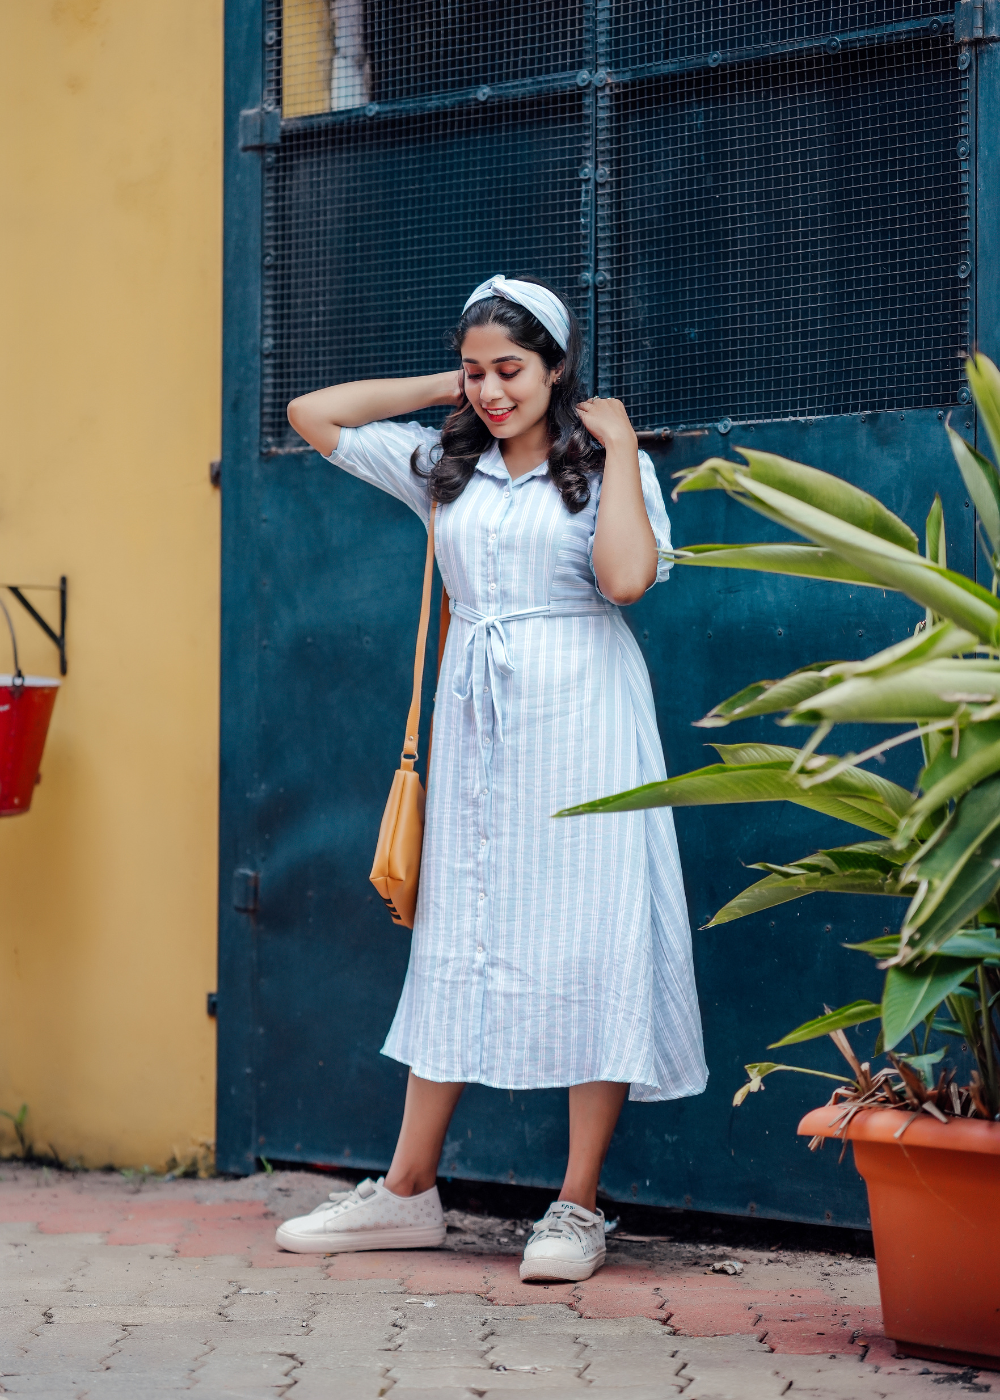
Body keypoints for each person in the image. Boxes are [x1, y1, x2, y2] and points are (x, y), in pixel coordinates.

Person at [275, 274, 707, 1282]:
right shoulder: (444, 462)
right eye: (478, 369)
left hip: (586, 718)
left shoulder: (607, 468)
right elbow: (312, 415)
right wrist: (448, 387)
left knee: (594, 928)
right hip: (478, 721)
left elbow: (626, 580)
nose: (492, 389)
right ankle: (407, 1190)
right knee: (460, 926)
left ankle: (577, 1201)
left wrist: (625, 446)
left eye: (510, 369)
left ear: (559, 368)